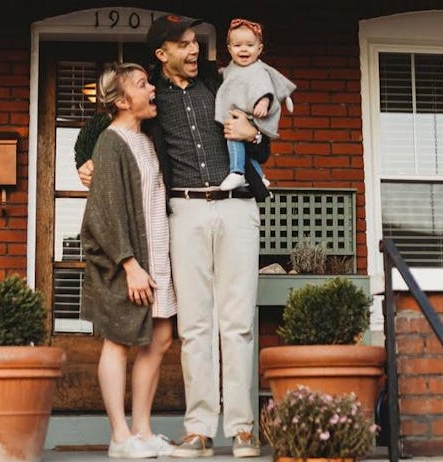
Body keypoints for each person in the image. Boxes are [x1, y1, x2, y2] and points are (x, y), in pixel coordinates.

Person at [78, 14, 268, 459]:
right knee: (196, 325)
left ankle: (242, 429)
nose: (194, 49)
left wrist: (253, 134)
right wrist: (87, 164)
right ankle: (199, 430)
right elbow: (95, 131)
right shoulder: (149, 97)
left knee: (238, 324)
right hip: (183, 212)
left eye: (196, 42)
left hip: (237, 207)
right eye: (183, 44)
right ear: (162, 54)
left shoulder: (222, 83)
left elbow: (265, 135)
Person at [80, 62, 177, 459]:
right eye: (143, 84)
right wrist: (129, 264)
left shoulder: (145, 140)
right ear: (122, 101)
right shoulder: (110, 142)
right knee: (118, 341)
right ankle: (120, 437)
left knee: (161, 337)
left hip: (155, 254)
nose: (152, 88)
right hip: (126, 261)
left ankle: (142, 429)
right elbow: (105, 212)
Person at [215, 18, 296, 191]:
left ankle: (237, 172)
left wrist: (263, 103)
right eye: (237, 46)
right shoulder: (232, 68)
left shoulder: (258, 70)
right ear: (229, 49)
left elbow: (266, 89)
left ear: (259, 49)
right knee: (246, 151)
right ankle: (260, 177)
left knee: (234, 139)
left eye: (249, 45)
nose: (243, 49)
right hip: (240, 115)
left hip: (251, 116)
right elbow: (227, 77)